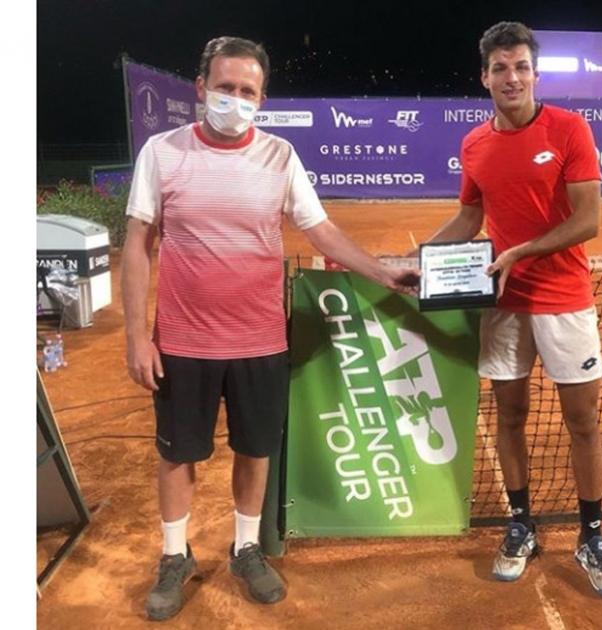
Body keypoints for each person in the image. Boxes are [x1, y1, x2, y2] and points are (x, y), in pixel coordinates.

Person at [121, 36, 420, 621]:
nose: (236, 100)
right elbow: (138, 242)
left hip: (261, 338)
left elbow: (322, 232)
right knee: (179, 455)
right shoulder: (161, 151)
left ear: (262, 97)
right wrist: (136, 335)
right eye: (226, 88)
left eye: (248, 91)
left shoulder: (280, 156)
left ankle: (247, 547)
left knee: (255, 450)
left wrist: (384, 273)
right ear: (201, 88)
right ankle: (174, 555)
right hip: (184, 340)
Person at [419, 21, 602, 598]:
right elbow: (468, 218)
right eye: (500, 68)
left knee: (582, 422)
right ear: (483, 77)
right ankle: (520, 523)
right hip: (503, 303)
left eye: (521, 67)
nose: (512, 77)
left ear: (535, 72)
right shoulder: (475, 144)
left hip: (564, 299)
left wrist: (522, 251)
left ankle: (591, 534)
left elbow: (589, 220)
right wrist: (423, 260)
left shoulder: (569, 128)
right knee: (510, 416)